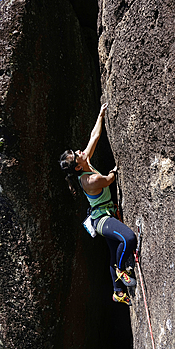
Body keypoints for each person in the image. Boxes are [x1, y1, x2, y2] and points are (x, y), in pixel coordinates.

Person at [59, 103, 137, 305]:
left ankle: (117, 292)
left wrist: (100, 114)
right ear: (78, 165)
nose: (80, 150)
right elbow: (109, 179)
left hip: (104, 214)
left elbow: (94, 137)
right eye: (77, 154)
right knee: (128, 239)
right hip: (102, 220)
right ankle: (121, 270)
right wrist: (114, 170)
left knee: (113, 252)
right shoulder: (89, 180)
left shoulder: (84, 163)